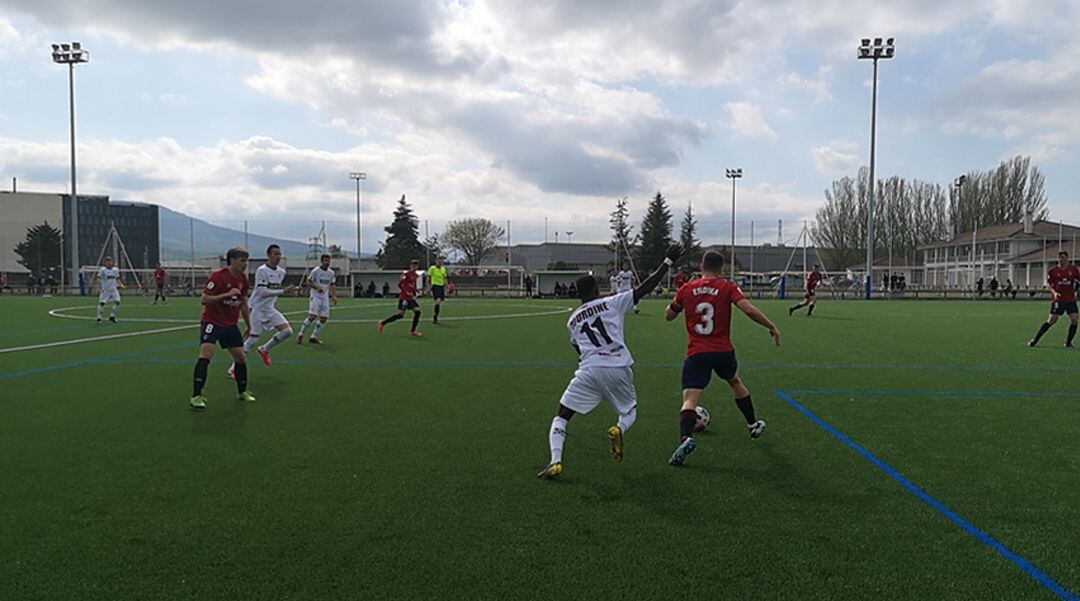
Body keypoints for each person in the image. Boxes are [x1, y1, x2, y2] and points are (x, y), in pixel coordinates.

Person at [538, 244, 684, 480]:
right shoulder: (612, 302)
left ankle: (555, 461)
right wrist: (667, 261)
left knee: (561, 415)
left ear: (578, 295)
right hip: (618, 366)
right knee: (629, 412)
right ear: (598, 289)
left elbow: (578, 348)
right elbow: (647, 287)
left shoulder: (572, 321)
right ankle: (619, 429)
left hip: (588, 370)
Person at [664, 251, 780, 466]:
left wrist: (677, 302)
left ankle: (685, 438)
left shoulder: (687, 289)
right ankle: (752, 424)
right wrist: (770, 325)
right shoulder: (728, 287)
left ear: (701, 266)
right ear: (722, 269)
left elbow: (669, 316)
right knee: (735, 381)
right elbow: (748, 309)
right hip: (723, 351)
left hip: (697, 352)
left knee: (690, 398)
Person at [189, 247, 255, 411]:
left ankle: (242, 392)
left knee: (240, 357)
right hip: (212, 322)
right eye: (242, 260)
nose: (245, 264)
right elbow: (204, 299)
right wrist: (226, 295)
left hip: (230, 325)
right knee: (206, 355)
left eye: (246, 260)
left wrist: (249, 324)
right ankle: (196, 396)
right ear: (232, 260)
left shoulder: (242, 280)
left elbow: (244, 304)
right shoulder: (218, 277)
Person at [228, 244, 297, 378]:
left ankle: (265, 349)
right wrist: (284, 291)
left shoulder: (281, 272)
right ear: (268, 255)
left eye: (279, 254)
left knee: (287, 331)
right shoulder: (262, 270)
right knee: (252, 340)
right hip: (257, 309)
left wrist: (279, 295)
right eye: (275, 254)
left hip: (270, 310)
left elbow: (272, 293)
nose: (278, 257)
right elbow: (262, 291)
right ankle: (233, 369)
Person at [1028, 251, 1080, 348]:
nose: (1060, 259)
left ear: (1067, 258)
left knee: (1075, 320)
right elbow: (1048, 284)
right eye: (1059, 257)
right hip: (1058, 300)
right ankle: (1035, 340)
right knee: (1052, 320)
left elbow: (1078, 281)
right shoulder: (1053, 271)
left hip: (1070, 300)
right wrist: (1054, 293)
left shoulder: (1074, 270)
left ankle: (1068, 343)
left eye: (1063, 257)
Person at [297, 254, 338, 344]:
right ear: (322, 261)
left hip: (325, 297)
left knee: (324, 318)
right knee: (312, 316)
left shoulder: (331, 273)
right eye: (325, 261)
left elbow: (332, 284)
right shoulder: (316, 271)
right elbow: (308, 282)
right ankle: (301, 334)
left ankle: (314, 336)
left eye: (328, 261)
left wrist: (334, 295)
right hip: (315, 296)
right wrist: (317, 288)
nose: (327, 263)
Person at [378, 259, 423, 336]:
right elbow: (400, 284)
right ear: (410, 266)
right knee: (400, 315)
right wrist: (406, 292)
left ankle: (413, 331)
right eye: (413, 265)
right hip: (404, 298)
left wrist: (416, 290)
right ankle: (382, 323)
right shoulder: (406, 274)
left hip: (410, 298)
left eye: (416, 265)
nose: (414, 267)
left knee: (418, 312)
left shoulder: (416, 276)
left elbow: (412, 285)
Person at [95, 257, 124, 323]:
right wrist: (98, 288)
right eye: (107, 261)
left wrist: (120, 284)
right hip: (105, 290)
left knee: (118, 302)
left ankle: (112, 316)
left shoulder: (115, 270)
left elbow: (117, 278)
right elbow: (98, 279)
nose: (109, 263)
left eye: (110, 261)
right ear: (105, 263)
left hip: (114, 289)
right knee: (102, 303)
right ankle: (99, 317)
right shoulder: (103, 270)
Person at [427, 257, 449, 324]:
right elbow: (429, 277)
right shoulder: (432, 268)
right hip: (435, 286)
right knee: (438, 301)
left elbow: (445, 278)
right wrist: (428, 286)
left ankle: (436, 317)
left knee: (439, 303)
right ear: (436, 262)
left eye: (441, 262)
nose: (440, 263)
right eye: (438, 262)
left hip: (441, 286)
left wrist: (447, 287)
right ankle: (435, 317)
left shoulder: (443, 269)